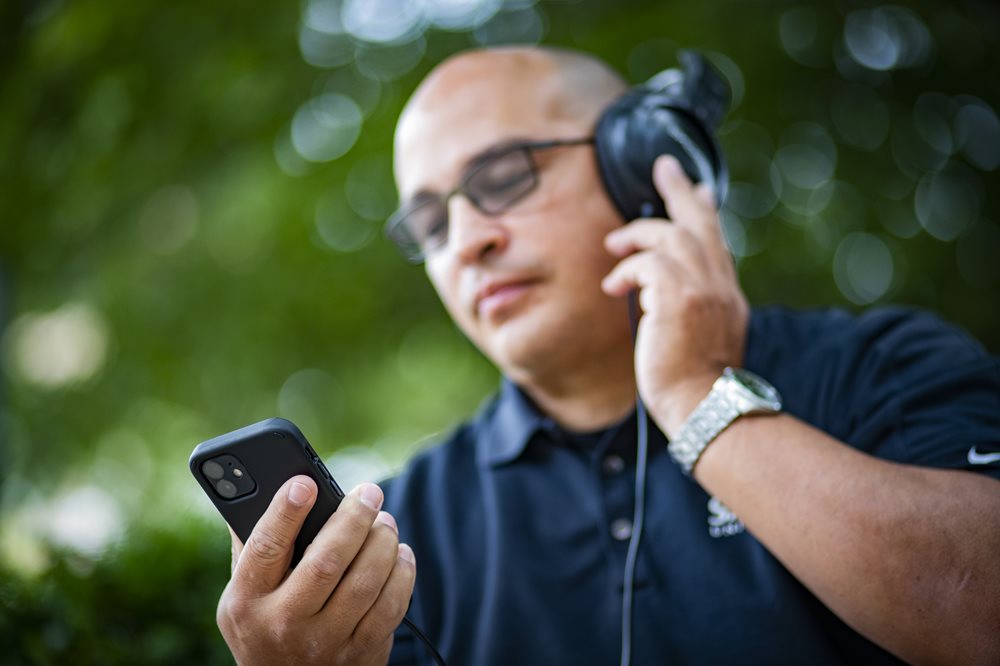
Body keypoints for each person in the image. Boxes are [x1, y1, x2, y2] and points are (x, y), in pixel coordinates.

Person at [212, 46, 1000, 665]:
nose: (467, 243)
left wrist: (699, 398)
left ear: (647, 168)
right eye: (430, 224)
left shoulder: (883, 365)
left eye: (503, 176)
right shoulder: (401, 532)